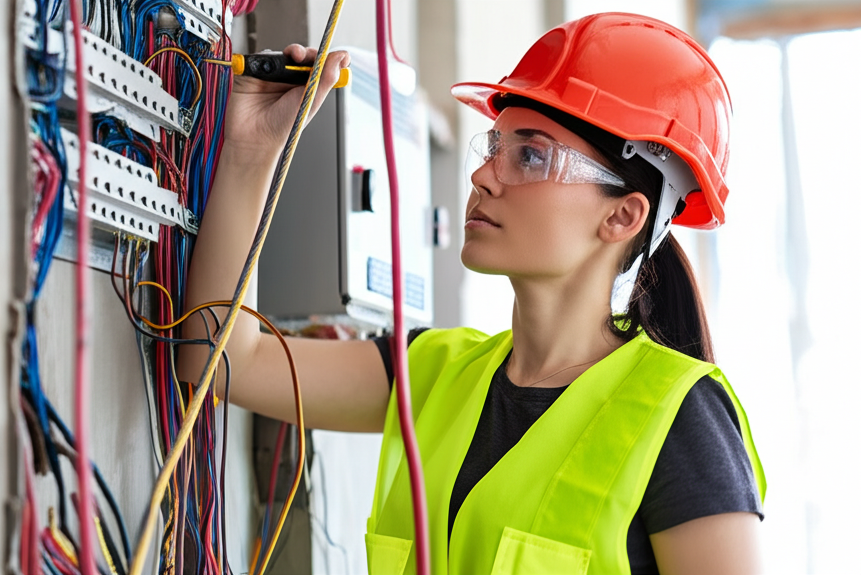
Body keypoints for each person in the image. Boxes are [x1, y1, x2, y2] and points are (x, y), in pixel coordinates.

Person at [181, 12, 765, 575]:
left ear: (622, 216)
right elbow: (220, 359)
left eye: (530, 155)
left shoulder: (679, 418)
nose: (483, 176)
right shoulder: (431, 376)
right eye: (493, 147)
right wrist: (253, 153)